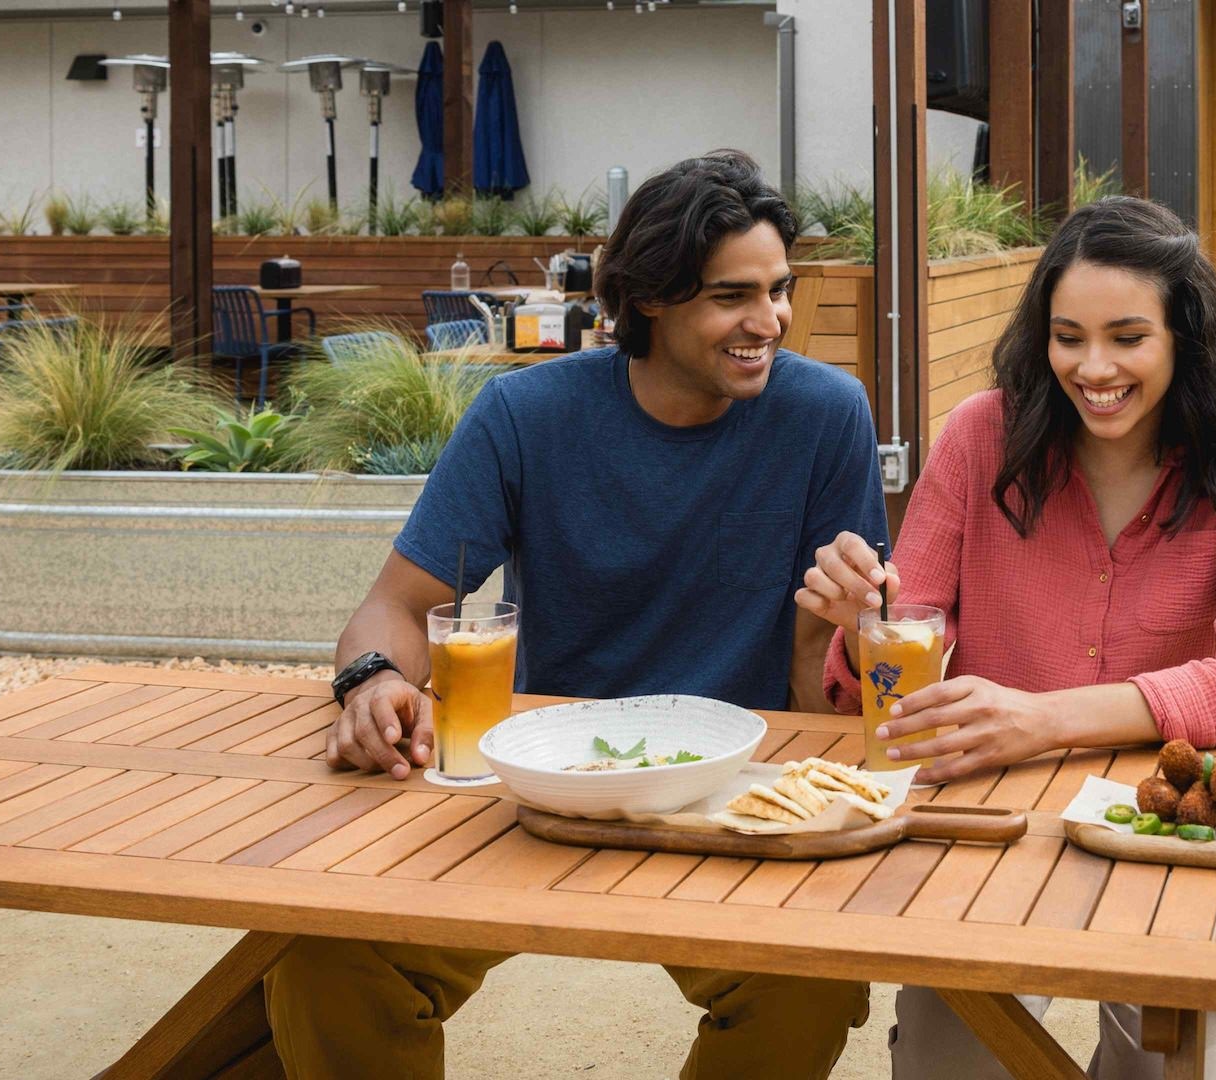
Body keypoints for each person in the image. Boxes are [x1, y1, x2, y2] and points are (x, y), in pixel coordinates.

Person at [266, 151, 887, 1080]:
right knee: (325, 957)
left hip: (734, 801)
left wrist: (847, 623)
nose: (771, 322)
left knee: (809, 983)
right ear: (647, 301)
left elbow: (835, 682)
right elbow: (394, 607)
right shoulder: (524, 414)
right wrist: (374, 680)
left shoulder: (825, 414)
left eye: (780, 289)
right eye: (732, 298)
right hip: (540, 791)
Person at [796, 196, 1216, 1079]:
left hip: (1169, 822)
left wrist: (1043, 717)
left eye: (1127, 336)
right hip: (991, 822)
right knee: (940, 1057)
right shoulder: (977, 435)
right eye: (1068, 336)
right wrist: (857, 626)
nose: (1094, 366)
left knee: (1180, 1062)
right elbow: (890, 655)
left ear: (1183, 335)